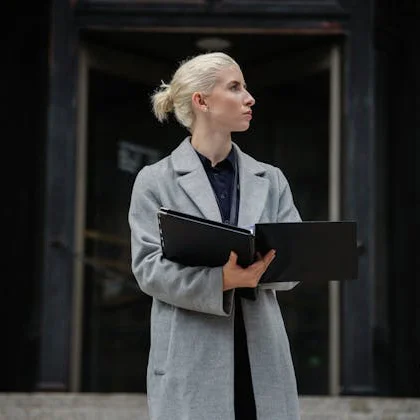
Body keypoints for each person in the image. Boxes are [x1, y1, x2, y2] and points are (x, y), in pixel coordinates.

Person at [128, 52, 302, 420]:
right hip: (190, 360)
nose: (249, 98)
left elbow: (296, 260)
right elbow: (148, 270)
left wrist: (266, 269)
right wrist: (220, 279)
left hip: (262, 360)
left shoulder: (271, 179)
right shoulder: (155, 180)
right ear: (202, 101)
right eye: (235, 87)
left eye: (245, 87)